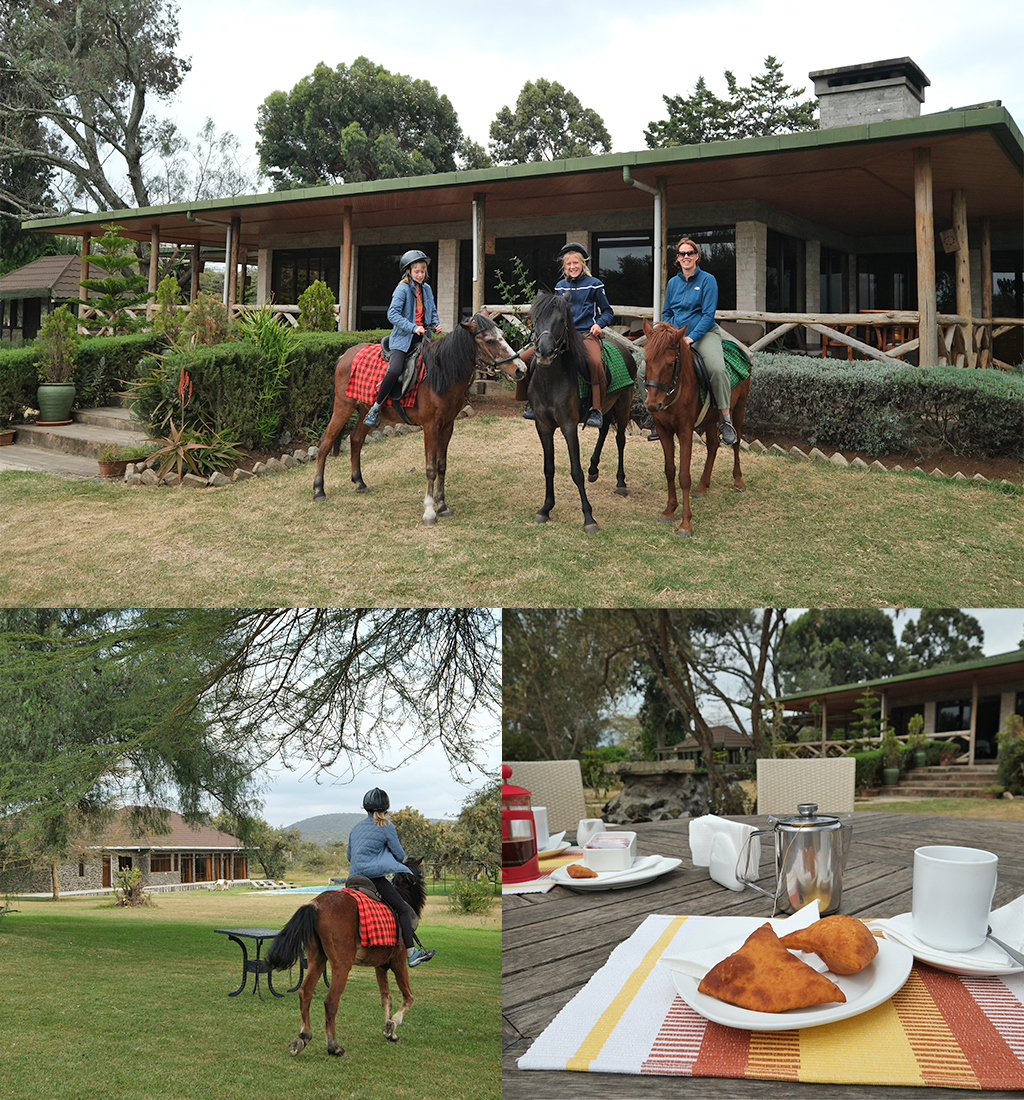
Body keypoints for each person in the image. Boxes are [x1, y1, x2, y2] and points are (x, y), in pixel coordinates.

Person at [519, 242, 611, 428]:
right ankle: (529, 402)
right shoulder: (560, 287)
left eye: (575, 263)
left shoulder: (595, 284)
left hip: (586, 334)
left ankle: (596, 409)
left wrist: (599, 325)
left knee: (595, 362)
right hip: (562, 337)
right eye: (568, 264)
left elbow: (608, 312)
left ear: (583, 263)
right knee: (524, 358)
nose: (572, 267)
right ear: (564, 267)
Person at [346, 787, 435, 967]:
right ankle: (412, 953)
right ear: (385, 808)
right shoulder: (386, 826)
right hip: (374, 879)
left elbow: (349, 856)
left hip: (353, 878)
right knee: (402, 909)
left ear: (366, 808)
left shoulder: (356, 828)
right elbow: (399, 855)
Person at [661, 237, 737, 446]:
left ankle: (726, 420)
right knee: (644, 369)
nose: (686, 257)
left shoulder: (707, 280)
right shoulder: (673, 283)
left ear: (697, 256)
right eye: (682, 254)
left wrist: (691, 337)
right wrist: (670, 334)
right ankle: (657, 416)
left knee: (717, 369)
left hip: (703, 334)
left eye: (690, 253)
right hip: (676, 336)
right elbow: (667, 312)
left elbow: (708, 314)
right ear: (677, 258)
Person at [364, 250, 442, 428]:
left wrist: (435, 324)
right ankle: (375, 408)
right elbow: (392, 314)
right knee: (395, 369)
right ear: (408, 271)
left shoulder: (427, 289)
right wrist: (413, 327)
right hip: (403, 340)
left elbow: (433, 312)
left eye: (423, 271)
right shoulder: (402, 288)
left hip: (424, 339)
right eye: (417, 271)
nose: (421, 275)